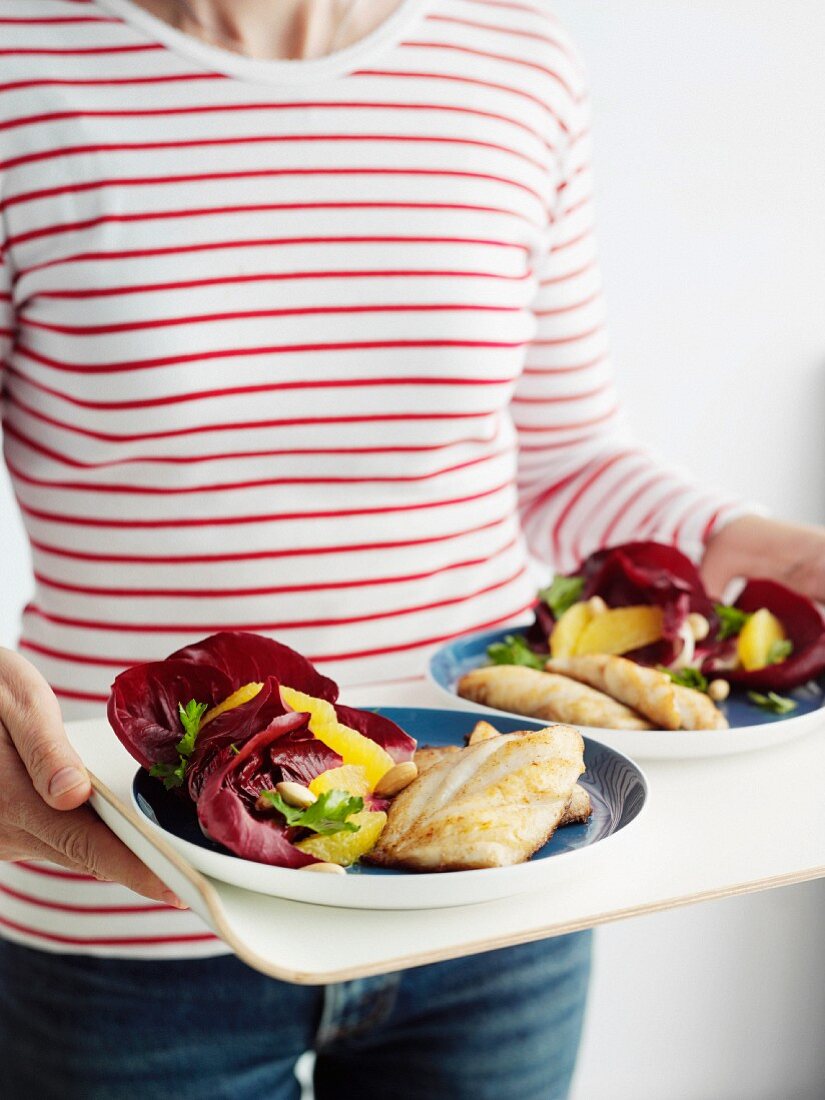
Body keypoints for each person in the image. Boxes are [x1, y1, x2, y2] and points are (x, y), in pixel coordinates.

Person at [1, 2, 824, 1097]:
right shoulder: (22, 69)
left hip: (496, 889)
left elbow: (567, 456)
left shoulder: (512, 61)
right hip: (134, 910)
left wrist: (749, 544)